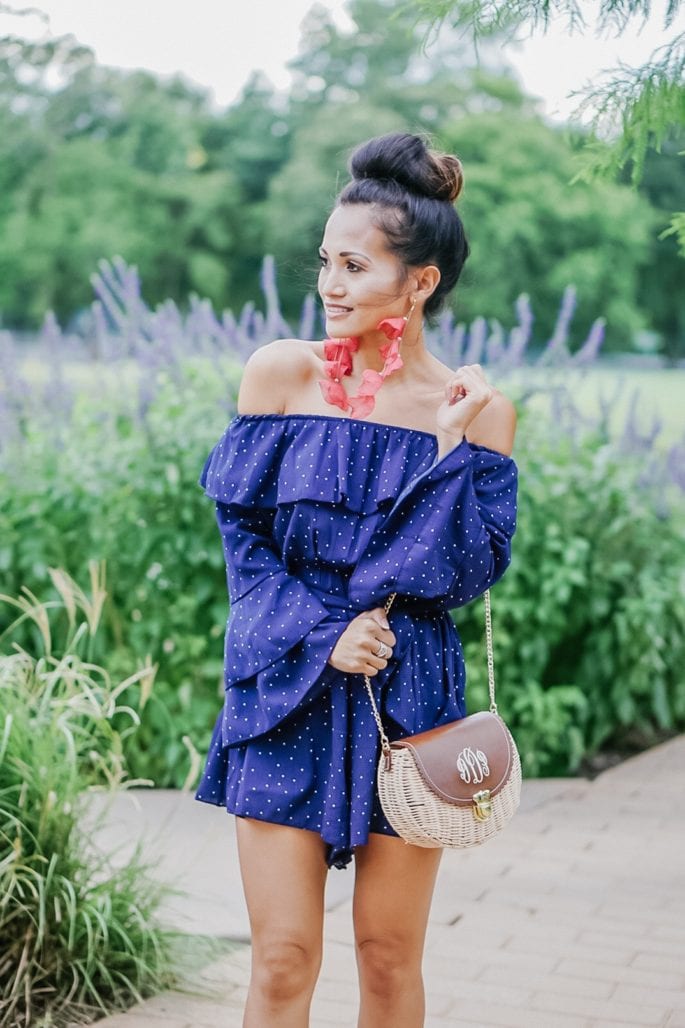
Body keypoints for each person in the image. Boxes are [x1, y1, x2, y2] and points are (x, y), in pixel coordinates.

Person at [195, 132, 518, 1028]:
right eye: (326, 262)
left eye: (354, 265)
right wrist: (318, 632)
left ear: (419, 284)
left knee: (386, 958)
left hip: (407, 696)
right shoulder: (281, 375)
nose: (329, 285)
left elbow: (460, 576)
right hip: (286, 681)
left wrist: (450, 450)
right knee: (285, 960)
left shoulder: (479, 416)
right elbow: (244, 545)